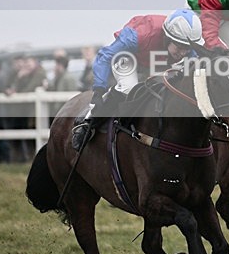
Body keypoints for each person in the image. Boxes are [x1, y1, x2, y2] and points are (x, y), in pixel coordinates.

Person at [71, 9, 203, 151]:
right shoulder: (140, 35)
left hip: (154, 59)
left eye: (187, 49)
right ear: (167, 38)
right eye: (179, 47)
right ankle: (88, 121)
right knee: (129, 87)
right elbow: (105, 56)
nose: (183, 53)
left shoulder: (188, 48)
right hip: (128, 56)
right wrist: (98, 90)